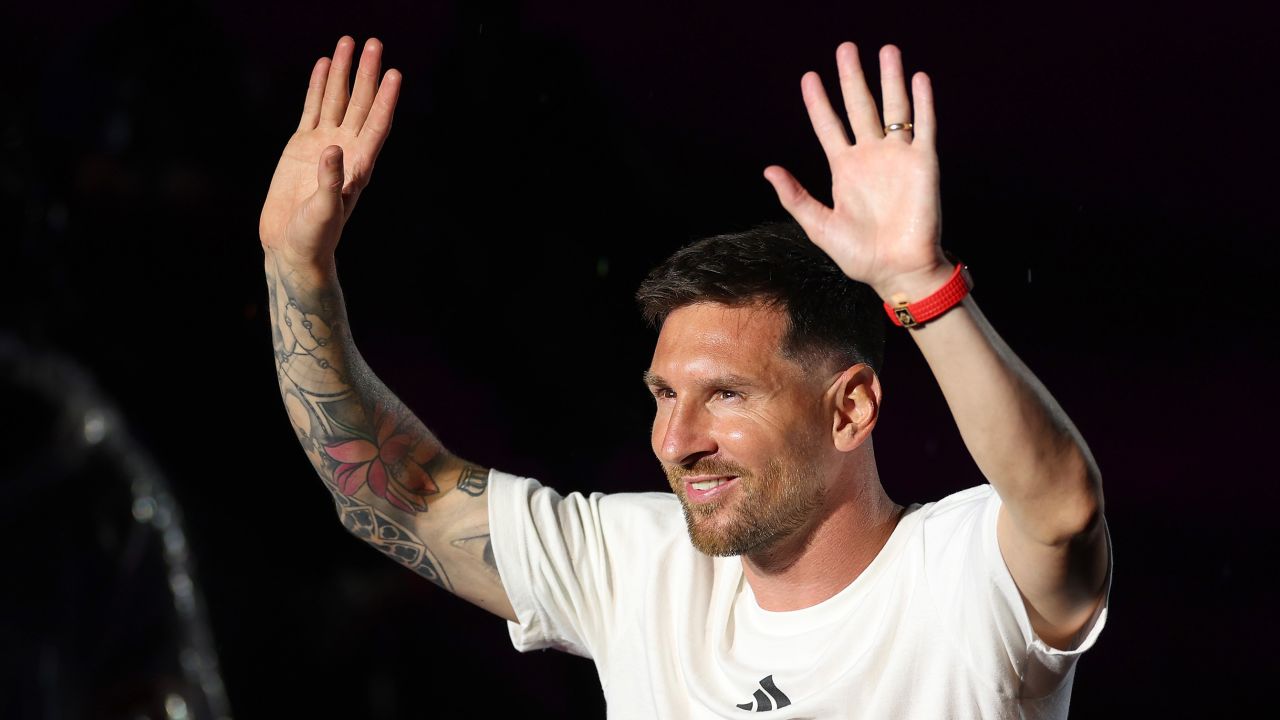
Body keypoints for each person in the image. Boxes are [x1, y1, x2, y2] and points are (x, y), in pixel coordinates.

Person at [259, 36, 1111, 718]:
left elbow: (1064, 508)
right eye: (665, 395)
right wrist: (295, 268)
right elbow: (393, 492)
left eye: (726, 395)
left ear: (850, 408)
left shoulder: (961, 578)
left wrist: (921, 286)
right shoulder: (641, 567)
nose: (675, 441)